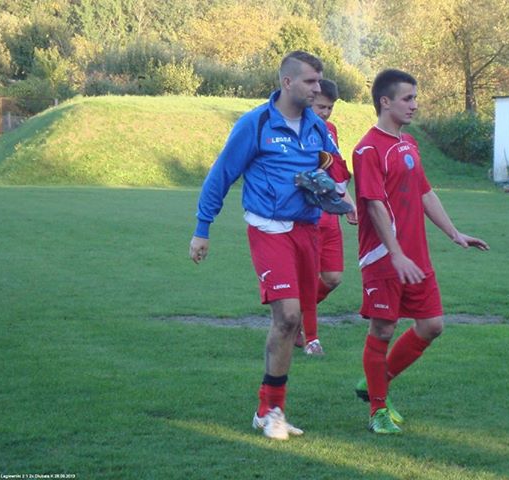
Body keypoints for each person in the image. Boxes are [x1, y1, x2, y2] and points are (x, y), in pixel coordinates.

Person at [189, 51, 342, 441]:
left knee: (293, 321)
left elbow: (332, 168)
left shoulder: (317, 127)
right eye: (310, 81)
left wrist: (332, 190)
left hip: (307, 230)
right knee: (287, 316)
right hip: (268, 230)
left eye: (319, 81)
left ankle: (271, 410)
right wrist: (202, 228)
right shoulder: (255, 124)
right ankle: (269, 410)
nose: (317, 89)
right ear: (287, 82)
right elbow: (221, 174)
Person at [351, 69, 489, 434]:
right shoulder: (367, 149)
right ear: (385, 101)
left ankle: (375, 383)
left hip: (416, 256)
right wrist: (395, 253)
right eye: (407, 98)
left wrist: (454, 233)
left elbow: (425, 193)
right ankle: (377, 411)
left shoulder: (409, 143)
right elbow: (374, 206)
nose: (414, 105)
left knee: (432, 325)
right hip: (384, 257)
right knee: (383, 328)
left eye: (415, 98)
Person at [295, 78, 357, 356]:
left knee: (332, 278)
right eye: (320, 106)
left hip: (330, 218)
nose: (325, 112)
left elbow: (335, 175)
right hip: (306, 217)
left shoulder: (330, 131)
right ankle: (311, 339)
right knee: (308, 280)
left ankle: (292, 315)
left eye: (330, 108)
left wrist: (348, 204)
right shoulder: (294, 129)